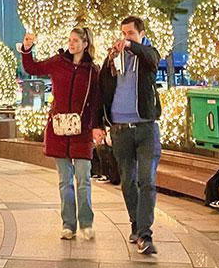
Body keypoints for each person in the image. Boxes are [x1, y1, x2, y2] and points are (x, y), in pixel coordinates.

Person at [20, 28, 101, 241]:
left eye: (76, 41)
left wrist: (96, 126)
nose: (71, 44)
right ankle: (68, 225)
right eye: (70, 40)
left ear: (85, 43)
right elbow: (32, 67)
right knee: (65, 180)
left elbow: (96, 101)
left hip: (81, 131)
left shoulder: (92, 70)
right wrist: (27, 48)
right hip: (58, 129)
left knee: (83, 178)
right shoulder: (58, 62)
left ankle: (86, 223)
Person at [95, 16, 162, 255]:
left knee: (147, 180)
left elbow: (153, 59)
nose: (125, 37)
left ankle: (145, 234)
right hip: (120, 129)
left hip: (146, 127)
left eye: (131, 33)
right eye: (124, 33)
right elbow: (101, 92)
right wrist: (98, 124)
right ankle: (136, 225)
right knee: (128, 182)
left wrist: (132, 46)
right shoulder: (113, 59)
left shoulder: (146, 55)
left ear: (141, 34)